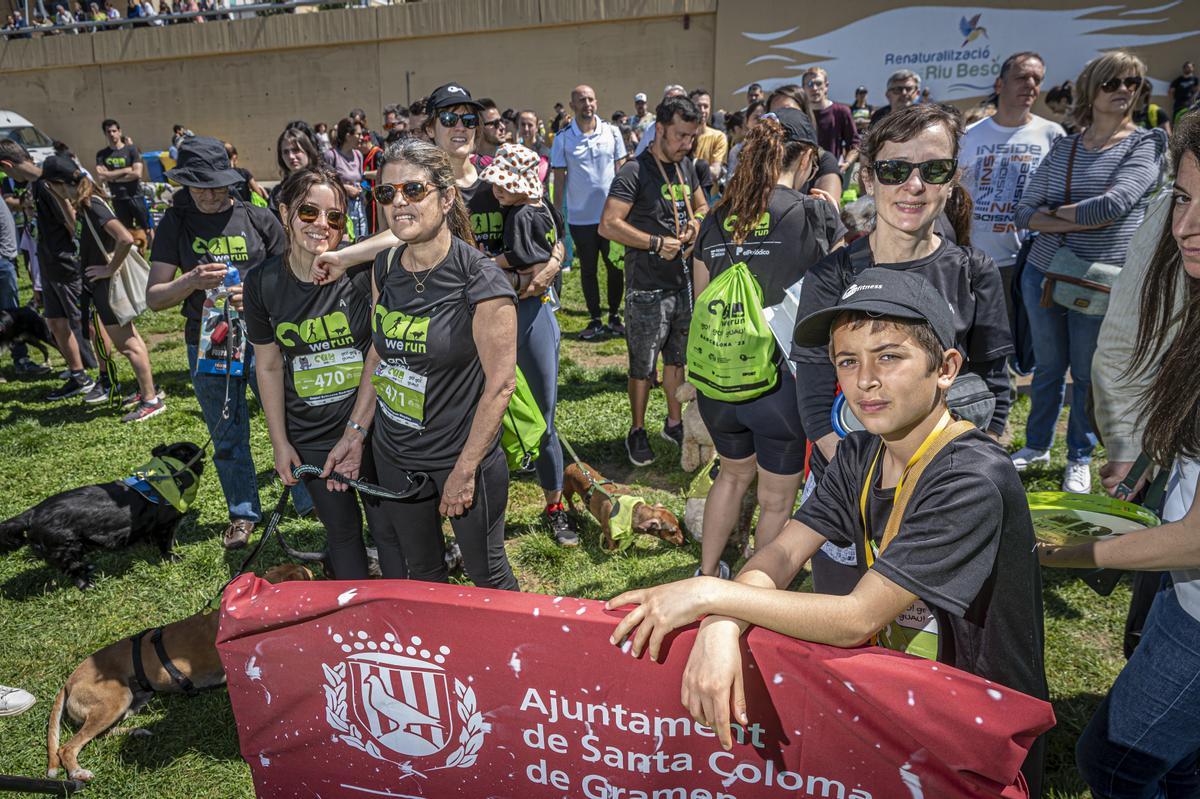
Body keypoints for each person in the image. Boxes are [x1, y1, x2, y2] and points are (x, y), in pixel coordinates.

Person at [608, 267, 1047, 795]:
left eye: (889, 356)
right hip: (905, 701)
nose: (865, 380)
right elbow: (783, 555)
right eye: (847, 361)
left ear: (946, 368)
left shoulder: (971, 477)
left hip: (978, 728)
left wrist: (708, 592)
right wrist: (722, 622)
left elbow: (854, 617)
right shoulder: (860, 454)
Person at [1038, 113, 1200, 798]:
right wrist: (1144, 455)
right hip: (1182, 587)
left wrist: (1058, 553)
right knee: (1182, 759)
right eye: (1186, 199)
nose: (1185, 227)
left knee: (1113, 761)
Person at [792, 104, 1014, 595]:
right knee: (844, 627)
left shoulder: (974, 273)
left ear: (952, 179)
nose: (913, 186)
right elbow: (812, 398)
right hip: (849, 488)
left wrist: (953, 484)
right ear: (869, 178)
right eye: (894, 170)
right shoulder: (832, 276)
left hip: (944, 490)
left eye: (932, 170)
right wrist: (871, 486)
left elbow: (994, 385)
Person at [318, 138, 520, 590]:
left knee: (487, 573)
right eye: (387, 194)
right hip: (396, 454)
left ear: (447, 197)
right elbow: (378, 353)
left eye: (413, 190)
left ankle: (513, 656)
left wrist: (465, 470)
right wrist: (355, 434)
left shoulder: (482, 280)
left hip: (460, 454)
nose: (399, 203)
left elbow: (501, 385)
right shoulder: (385, 266)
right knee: (421, 573)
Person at [691, 109, 844, 578]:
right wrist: (832, 218)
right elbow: (840, 301)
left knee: (732, 475)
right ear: (807, 160)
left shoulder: (715, 218)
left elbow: (701, 299)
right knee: (776, 499)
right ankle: (756, 589)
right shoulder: (813, 213)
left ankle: (707, 569)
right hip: (781, 386)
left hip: (718, 380)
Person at [1013, 50, 1167, 494]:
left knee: (1085, 373)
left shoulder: (1147, 143)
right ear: (1091, 89)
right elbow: (1024, 211)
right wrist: (1079, 218)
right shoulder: (1065, 145)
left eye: (1132, 83)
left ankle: (1078, 455)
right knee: (1046, 368)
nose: (1123, 90)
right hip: (1043, 274)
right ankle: (1037, 443)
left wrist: (1054, 215)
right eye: (1112, 82)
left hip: (1099, 281)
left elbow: (1113, 205)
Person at [147, 136, 312, 549]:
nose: (207, 193)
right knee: (226, 432)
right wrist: (190, 281)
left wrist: (259, 295)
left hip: (264, 341)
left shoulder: (258, 218)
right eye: (198, 185)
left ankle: (312, 499)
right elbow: (154, 298)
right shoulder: (175, 223)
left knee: (291, 421)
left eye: (216, 184)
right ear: (184, 183)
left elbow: (297, 278)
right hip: (208, 345)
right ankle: (242, 512)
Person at [243, 167, 383, 579]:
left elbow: (410, 233)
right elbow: (267, 364)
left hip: (371, 424)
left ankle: (400, 619)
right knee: (342, 532)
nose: (323, 225)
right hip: (313, 432)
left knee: (388, 526)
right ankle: (358, 621)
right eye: (309, 212)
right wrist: (279, 441)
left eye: (335, 217)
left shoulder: (359, 270)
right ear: (285, 212)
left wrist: (346, 256)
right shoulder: (263, 283)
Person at [599, 95, 708, 466]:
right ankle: (637, 429)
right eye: (680, 135)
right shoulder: (634, 171)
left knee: (677, 358)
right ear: (659, 129)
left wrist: (694, 223)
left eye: (692, 136)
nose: (686, 144)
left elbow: (704, 205)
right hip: (646, 286)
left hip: (682, 281)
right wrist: (654, 242)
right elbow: (609, 223)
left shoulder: (686, 166)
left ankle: (673, 422)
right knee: (643, 366)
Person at [478, 143, 576, 546]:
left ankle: (555, 504)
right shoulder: (539, 205)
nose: (498, 191)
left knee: (543, 416)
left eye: (504, 184)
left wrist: (484, 261)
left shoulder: (519, 214)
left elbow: (527, 261)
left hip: (530, 315)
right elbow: (553, 253)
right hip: (524, 314)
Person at [60, 169, 164, 421]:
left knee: (128, 345)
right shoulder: (87, 204)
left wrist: (109, 268)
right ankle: (146, 392)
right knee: (132, 340)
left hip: (108, 288)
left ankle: (150, 400)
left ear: (61, 184)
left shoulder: (93, 205)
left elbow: (125, 238)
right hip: (102, 287)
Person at [959, 52, 1064, 300]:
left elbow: (1059, 196)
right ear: (999, 84)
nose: (1030, 85)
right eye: (1021, 77)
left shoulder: (1052, 134)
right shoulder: (969, 135)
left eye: (1037, 79)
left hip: (1029, 262)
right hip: (975, 260)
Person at [550, 83, 628, 340]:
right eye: (581, 100)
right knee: (588, 270)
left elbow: (623, 172)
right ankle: (595, 319)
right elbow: (559, 179)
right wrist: (557, 215)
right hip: (581, 218)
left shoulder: (612, 132)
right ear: (572, 105)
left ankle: (615, 316)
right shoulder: (563, 138)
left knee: (615, 267)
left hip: (611, 217)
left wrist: (628, 208)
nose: (588, 104)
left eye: (591, 99)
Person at [34, 155, 99, 401]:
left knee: (85, 321)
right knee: (56, 321)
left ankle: (105, 372)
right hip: (52, 264)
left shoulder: (80, 200)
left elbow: (78, 230)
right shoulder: (50, 190)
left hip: (69, 266)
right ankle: (79, 374)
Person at [0, 140, 50, 377]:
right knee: (11, 316)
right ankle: (21, 360)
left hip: (7, 257)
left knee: (12, 316)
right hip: (3, 260)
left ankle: (21, 358)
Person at [764, 86, 843, 206]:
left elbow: (829, 210)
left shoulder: (823, 160)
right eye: (774, 113)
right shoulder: (759, 159)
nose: (781, 116)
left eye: (788, 110)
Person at [95, 119, 151, 250]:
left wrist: (111, 176)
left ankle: (151, 251)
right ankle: (134, 252)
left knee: (146, 226)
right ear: (105, 133)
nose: (112, 134)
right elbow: (101, 176)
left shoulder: (131, 150)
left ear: (120, 132)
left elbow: (137, 173)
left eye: (114, 131)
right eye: (108, 131)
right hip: (118, 198)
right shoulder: (102, 154)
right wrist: (126, 170)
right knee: (126, 228)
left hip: (135, 195)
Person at [803, 67, 859, 171]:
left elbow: (854, 144)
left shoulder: (841, 111)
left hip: (831, 172)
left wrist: (847, 163)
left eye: (819, 83)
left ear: (826, 86)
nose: (814, 88)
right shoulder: (799, 113)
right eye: (810, 84)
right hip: (802, 174)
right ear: (803, 88)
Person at [323, 118, 367, 241]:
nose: (362, 137)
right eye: (358, 134)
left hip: (359, 208)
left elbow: (361, 178)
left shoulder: (358, 155)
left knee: (362, 240)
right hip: (341, 208)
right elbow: (324, 182)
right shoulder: (331, 156)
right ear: (348, 136)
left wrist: (363, 188)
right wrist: (345, 188)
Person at [269, 126, 320, 217]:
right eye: (285, 152)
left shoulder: (323, 185)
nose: (291, 156)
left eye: (296, 150)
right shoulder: (277, 193)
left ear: (307, 151)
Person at [633, 84, 687, 158]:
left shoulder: (691, 128)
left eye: (677, 100)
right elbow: (639, 155)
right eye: (668, 100)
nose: (671, 104)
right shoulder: (652, 128)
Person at [688, 89, 728, 183]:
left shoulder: (719, 137)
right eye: (698, 106)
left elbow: (715, 173)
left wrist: (692, 165)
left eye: (706, 106)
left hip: (709, 196)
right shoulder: (682, 136)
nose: (702, 110)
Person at [472, 98, 506, 168]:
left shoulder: (509, 159)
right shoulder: (470, 165)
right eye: (496, 123)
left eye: (501, 121)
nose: (502, 127)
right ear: (479, 127)